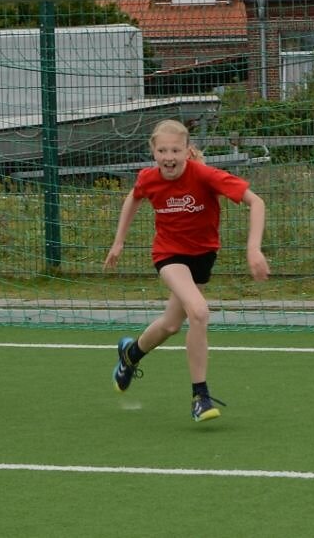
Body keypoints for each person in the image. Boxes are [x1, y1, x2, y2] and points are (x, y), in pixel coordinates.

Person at [104, 119, 269, 422]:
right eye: (162, 150)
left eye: (176, 150)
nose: (169, 156)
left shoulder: (205, 175)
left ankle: (130, 355)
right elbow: (134, 197)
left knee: (170, 325)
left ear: (188, 151)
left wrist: (253, 248)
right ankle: (200, 397)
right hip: (169, 255)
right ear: (153, 151)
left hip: (203, 257)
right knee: (199, 311)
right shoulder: (149, 178)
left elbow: (255, 202)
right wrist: (119, 241)